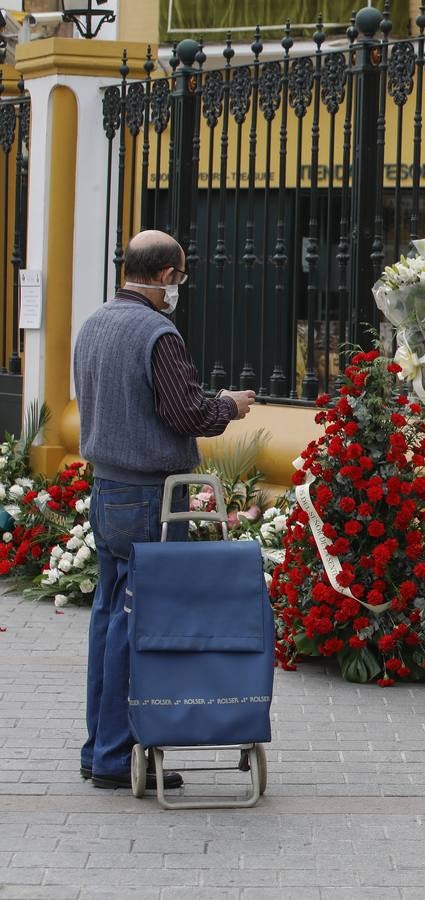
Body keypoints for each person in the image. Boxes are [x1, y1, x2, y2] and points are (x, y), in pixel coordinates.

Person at [73, 230, 256, 791]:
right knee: (139, 620)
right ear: (161, 276)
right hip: (148, 493)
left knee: (109, 617)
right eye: (179, 275)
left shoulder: (95, 323)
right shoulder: (157, 331)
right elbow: (184, 412)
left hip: (106, 487)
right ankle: (114, 755)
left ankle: (98, 748)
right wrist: (229, 405)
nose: (181, 285)